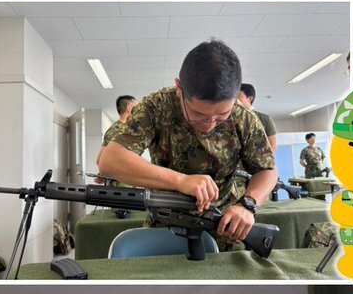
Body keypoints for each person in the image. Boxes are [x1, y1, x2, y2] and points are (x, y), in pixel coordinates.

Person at [99, 40, 276, 250]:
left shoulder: (243, 117)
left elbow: (267, 170)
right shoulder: (156, 107)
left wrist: (248, 205)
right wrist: (181, 181)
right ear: (179, 88)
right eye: (198, 114)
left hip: (224, 224)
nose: (210, 124)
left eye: (222, 115)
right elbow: (110, 160)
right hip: (166, 221)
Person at [95, 94, 138, 185]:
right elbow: (100, 160)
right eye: (137, 107)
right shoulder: (118, 129)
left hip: (127, 185)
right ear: (129, 108)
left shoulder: (126, 129)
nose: (139, 110)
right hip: (120, 187)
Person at [238, 82, 277, 153]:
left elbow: (272, 147)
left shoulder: (265, 119)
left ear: (250, 99)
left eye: (238, 99)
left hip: (258, 158)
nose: (235, 102)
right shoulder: (228, 118)